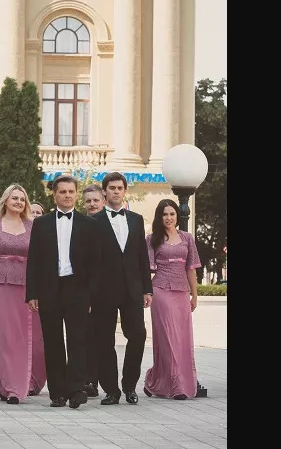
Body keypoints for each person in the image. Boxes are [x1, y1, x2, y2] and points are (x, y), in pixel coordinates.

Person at [26, 174, 100, 409]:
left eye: (71, 192)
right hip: (49, 288)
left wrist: (91, 295)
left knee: (77, 340)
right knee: (53, 340)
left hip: (77, 289)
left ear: (76, 195)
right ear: (54, 195)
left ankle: (76, 390)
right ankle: (57, 392)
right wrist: (32, 293)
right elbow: (34, 260)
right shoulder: (41, 224)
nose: (67, 195)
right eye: (63, 192)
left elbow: (95, 263)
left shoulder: (89, 225)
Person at [90, 172, 152, 406]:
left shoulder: (136, 219)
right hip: (103, 291)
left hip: (132, 289)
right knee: (103, 340)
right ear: (104, 191)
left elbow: (142, 256)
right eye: (112, 188)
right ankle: (111, 390)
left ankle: (129, 386)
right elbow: (89, 261)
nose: (116, 191)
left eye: (119, 188)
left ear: (125, 191)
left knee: (137, 335)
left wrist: (147, 289)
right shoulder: (93, 222)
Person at [0, 184, 46, 404]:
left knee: (26, 338)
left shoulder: (33, 226)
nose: (19, 202)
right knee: (4, 338)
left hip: (27, 287)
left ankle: (24, 384)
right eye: (15, 198)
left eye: (22, 199)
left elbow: (39, 259)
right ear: (5, 200)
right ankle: (8, 386)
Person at [142, 199, 203, 400]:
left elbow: (191, 268)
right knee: (168, 340)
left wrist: (194, 295)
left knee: (182, 339)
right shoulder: (152, 239)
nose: (168, 218)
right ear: (159, 217)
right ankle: (177, 387)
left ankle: (154, 380)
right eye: (164, 214)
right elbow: (146, 270)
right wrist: (146, 292)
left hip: (182, 293)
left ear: (177, 216)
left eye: (172, 214)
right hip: (161, 291)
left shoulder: (187, 238)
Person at [80, 184, 106, 397]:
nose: (92, 204)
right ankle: (88, 380)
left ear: (103, 201)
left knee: (103, 338)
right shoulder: (79, 225)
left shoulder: (111, 225)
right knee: (85, 336)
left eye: (96, 200)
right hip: (84, 290)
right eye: (88, 201)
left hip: (107, 290)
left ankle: (103, 380)